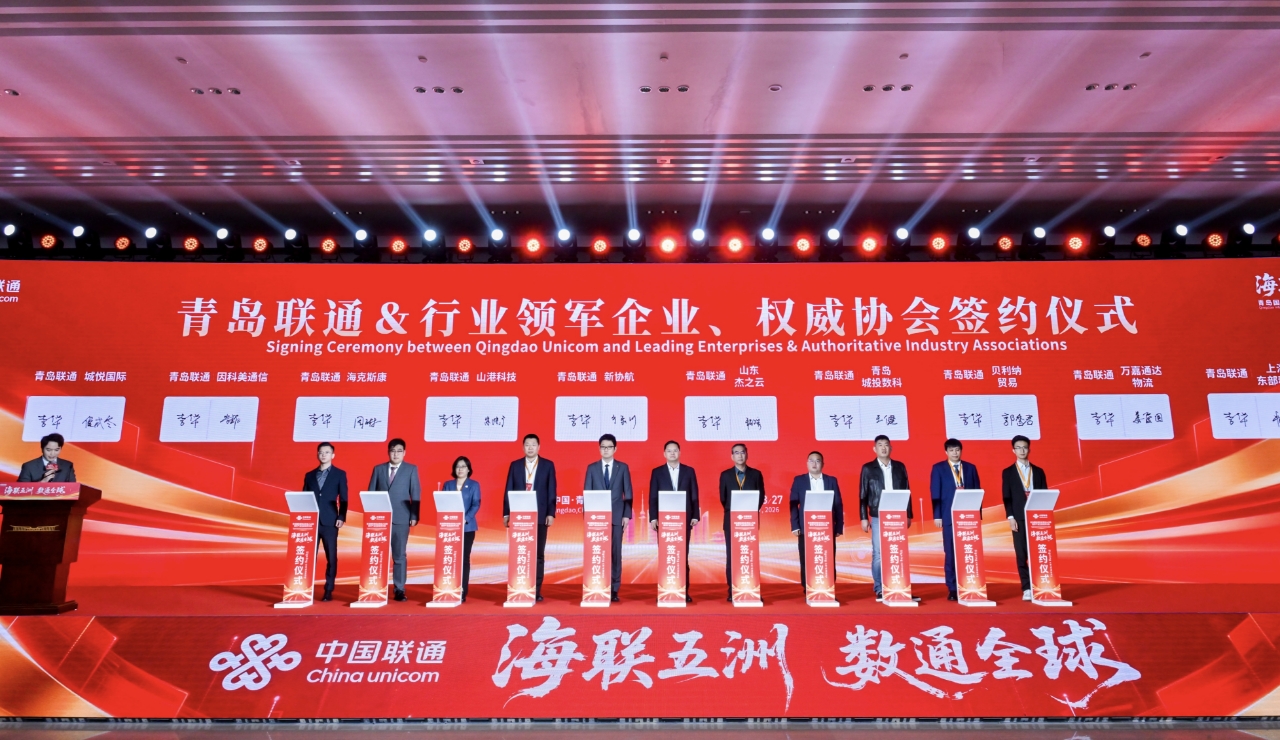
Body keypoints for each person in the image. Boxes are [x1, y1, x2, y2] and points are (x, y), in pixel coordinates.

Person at [859, 435, 914, 601]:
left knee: (898, 551)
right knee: (878, 553)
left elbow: (907, 490)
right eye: (880, 445)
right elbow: (862, 495)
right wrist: (864, 517)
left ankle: (899, 586)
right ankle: (879, 587)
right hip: (877, 514)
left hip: (898, 514)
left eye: (886, 445)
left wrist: (908, 514)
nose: (883, 448)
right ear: (874, 449)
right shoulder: (868, 468)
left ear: (891, 448)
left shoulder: (900, 467)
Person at [504, 433, 558, 602]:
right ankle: (519, 587)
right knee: (520, 552)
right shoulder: (515, 465)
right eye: (527, 444)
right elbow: (508, 489)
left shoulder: (548, 465)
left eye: (533, 444)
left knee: (538, 554)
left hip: (540, 515)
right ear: (523, 447)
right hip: (519, 516)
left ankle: (536, 590)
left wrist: (551, 513)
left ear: (539, 447)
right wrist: (507, 513)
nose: (530, 447)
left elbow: (552, 491)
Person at [368, 438, 421, 602]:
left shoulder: (411, 469)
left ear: (404, 453)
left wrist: (414, 516)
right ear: (388, 452)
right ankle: (375, 586)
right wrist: (371, 516)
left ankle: (399, 589)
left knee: (399, 556)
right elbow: (371, 493)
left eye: (399, 451)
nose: (395, 454)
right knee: (377, 554)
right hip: (379, 519)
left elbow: (415, 493)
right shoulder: (378, 469)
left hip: (401, 518)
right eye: (392, 451)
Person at [583, 433, 633, 602]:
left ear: (615, 449)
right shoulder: (592, 468)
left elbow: (628, 494)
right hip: (596, 519)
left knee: (615, 553)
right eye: (603, 447)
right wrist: (587, 518)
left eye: (609, 447)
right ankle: (597, 585)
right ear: (599, 449)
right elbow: (587, 494)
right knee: (597, 552)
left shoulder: (623, 467)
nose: (606, 450)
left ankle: (614, 589)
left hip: (617, 517)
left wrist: (626, 515)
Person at [649, 440, 699, 603]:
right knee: (666, 556)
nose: (672, 453)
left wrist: (695, 515)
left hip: (684, 520)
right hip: (665, 522)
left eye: (675, 450)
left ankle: (683, 591)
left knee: (682, 556)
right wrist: (653, 517)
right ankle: (665, 590)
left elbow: (694, 494)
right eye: (669, 450)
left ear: (679, 452)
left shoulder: (689, 471)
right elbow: (653, 496)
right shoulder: (657, 472)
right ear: (664, 453)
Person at [930, 438, 980, 601]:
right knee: (950, 553)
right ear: (946, 452)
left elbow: (977, 491)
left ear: (961, 450)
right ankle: (952, 588)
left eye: (957, 449)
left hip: (969, 518)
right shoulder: (938, 468)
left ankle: (970, 584)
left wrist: (977, 514)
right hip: (948, 516)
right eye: (951, 450)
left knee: (969, 552)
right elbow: (935, 493)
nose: (955, 453)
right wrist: (937, 515)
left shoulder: (971, 468)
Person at [789, 451, 844, 594]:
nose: (814, 464)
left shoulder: (831, 481)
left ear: (823, 464)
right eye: (811, 460)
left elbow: (838, 504)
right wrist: (795, 525)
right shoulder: (799, 480)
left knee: (827, 556)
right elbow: (793, 504)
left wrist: (839, 526)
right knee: (805, 557)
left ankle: (828, 585)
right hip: (805, 526)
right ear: (807, 463)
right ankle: (807, 587)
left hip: (826, 527)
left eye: (818, 461)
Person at [1002, 434, 1047, 602]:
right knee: (1021, 554)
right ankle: (1027, 587)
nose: (1022, 450)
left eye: (1025, 447)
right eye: (1018, 448)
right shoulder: (1008, 472)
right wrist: (1010, 517)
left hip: (1037, 517)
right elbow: (1006, 497)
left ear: (1029, 449)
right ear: (1013, 450)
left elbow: (1045, 493)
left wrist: (1044, 516)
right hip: (1019, 518)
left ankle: (1041, 584)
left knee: (1039, 552)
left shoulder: (1039, 471)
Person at [719, 443, 765, 602]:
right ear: (732, 456)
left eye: (742, 452)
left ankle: (752, 588)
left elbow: (760, 497)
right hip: (731, 521)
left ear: (747, 454)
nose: (740, 455)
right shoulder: (725, 475)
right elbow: (723, 498)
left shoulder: (756, 474)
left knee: (749, 555)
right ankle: (733, 590)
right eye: (736, 453)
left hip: (750, 522)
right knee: (732, 556)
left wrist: (748, 513)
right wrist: (736, 512)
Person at [302, 441, 348, 601]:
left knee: (331, 557)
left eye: (327, 452)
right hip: (311, 522)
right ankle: (305, 588)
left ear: (333, 455)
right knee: (308, 557)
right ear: (317, 454)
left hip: (330, 521)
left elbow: (344, 498)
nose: (323, 455)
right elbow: (304, 498)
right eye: (321, 452)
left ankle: (328, 589)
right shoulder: (309, 475)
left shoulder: (339, 474)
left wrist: (341, 516)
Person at [443, 455, 481, 603]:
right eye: (458, 466)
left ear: (468, 469)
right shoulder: (448, 485)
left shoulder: (474, 485)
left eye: (463, 466)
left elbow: (476, 504)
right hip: (450, 528)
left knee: (464, 559)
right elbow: (443, 503)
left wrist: (465, 518)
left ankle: (462, 590)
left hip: (467, 527)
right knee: (449, 558)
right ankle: (448, 587)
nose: (460, 469)